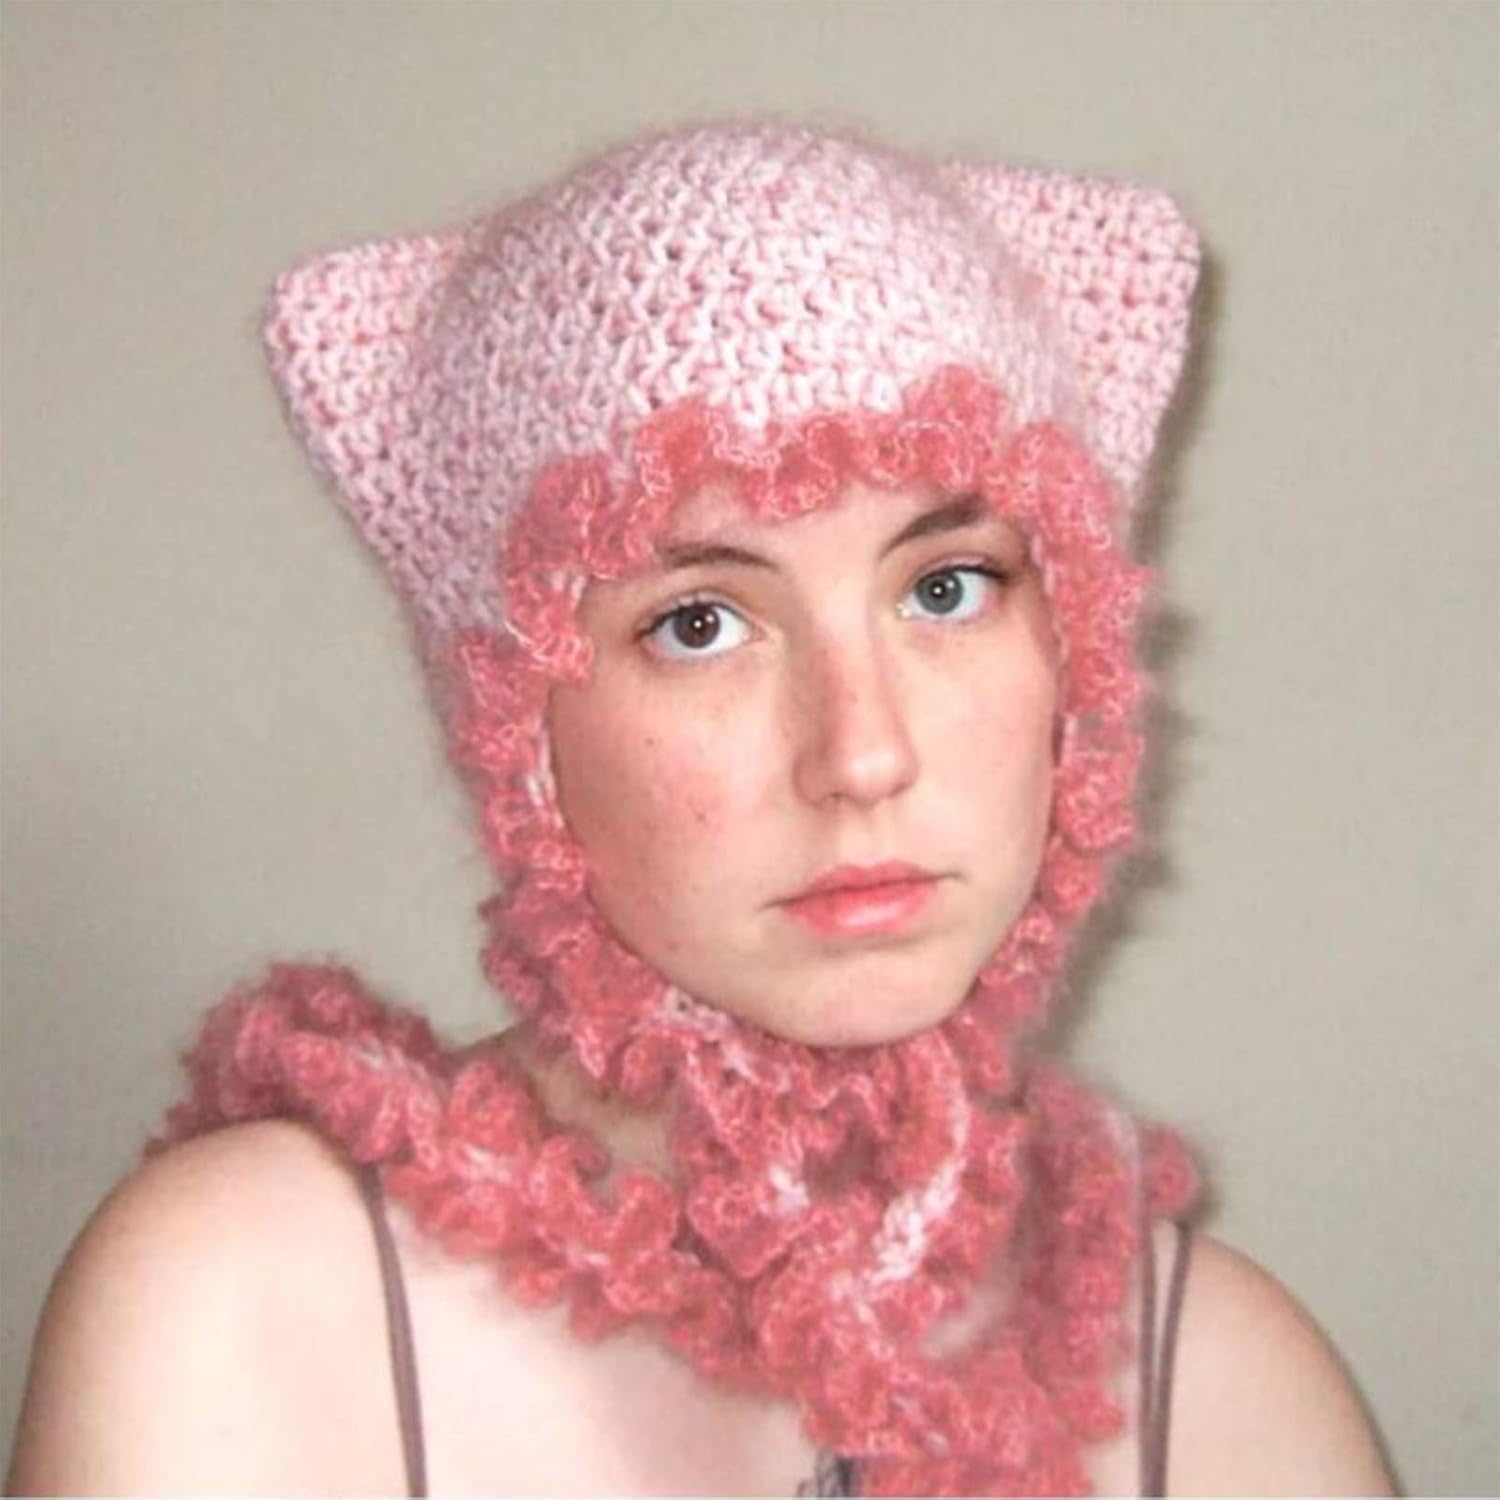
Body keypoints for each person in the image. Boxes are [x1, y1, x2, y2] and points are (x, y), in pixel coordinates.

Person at [5, 120, 1394, 1496]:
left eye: (946, 588)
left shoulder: (1219, 1397)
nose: (863, 754)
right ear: (517, 728)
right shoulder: (242, 1322)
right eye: (701, 623)